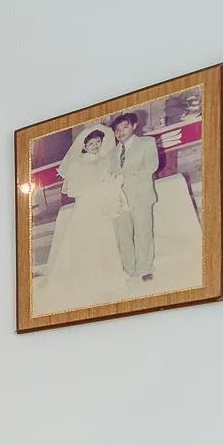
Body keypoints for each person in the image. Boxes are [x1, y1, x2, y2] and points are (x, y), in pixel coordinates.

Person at [41, 126, 128, 307]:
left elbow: (110, 179)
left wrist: (110, 185)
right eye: (91, 143)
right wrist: (96, 188)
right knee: (85, 240)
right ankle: (82, 279)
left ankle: (106, 275)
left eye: (98, 143)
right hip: (86, 205)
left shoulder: (105, 160)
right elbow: (74, 189)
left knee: (103, 238)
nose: (95, 146)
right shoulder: (77, 164)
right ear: (84, 146)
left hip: (101, 205)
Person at [110, 111, 160, 282]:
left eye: (125, 127)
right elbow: (110, 175)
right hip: (119, 201)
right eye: (117, 130)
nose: (121, 132)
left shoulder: (147, 142)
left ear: (134, 126)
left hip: (141, 196)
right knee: (123, 236)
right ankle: (129, 269)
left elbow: (151, 166)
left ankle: (145, 267)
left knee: (143, 233)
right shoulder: (112, 154)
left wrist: (127, 178)